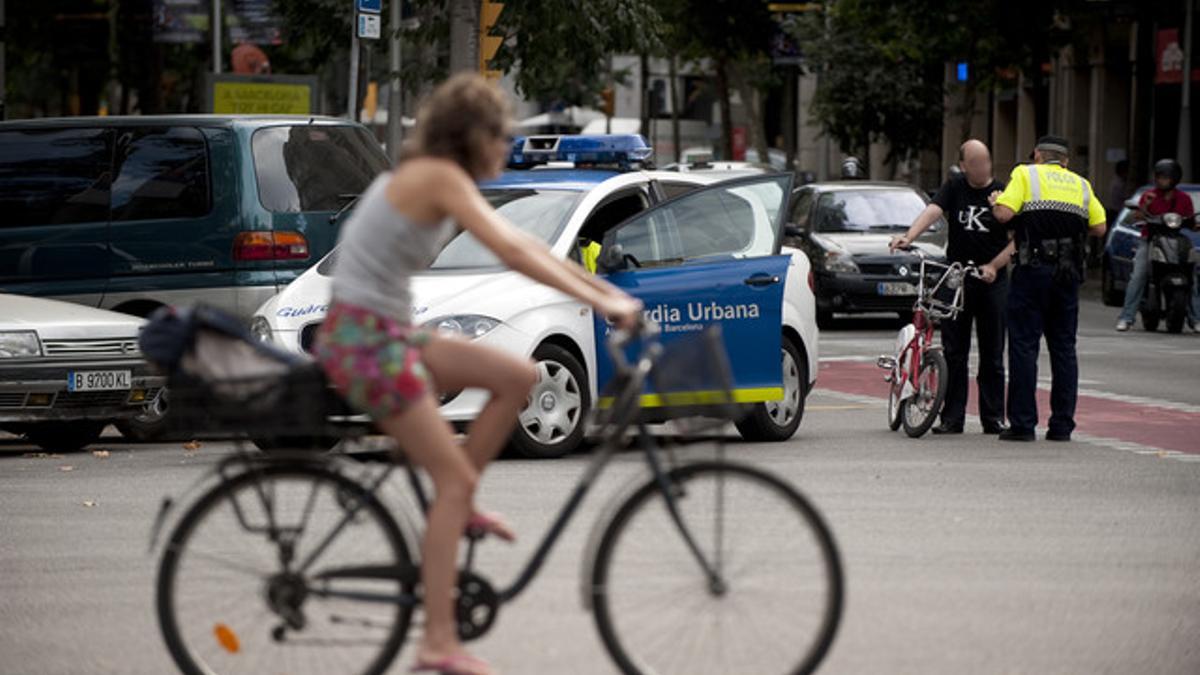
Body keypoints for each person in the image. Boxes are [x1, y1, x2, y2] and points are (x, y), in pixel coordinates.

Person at [314, 74, 642, 675]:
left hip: (385, 334)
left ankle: (459, 496)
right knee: (455, 486)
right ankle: (437, 641)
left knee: (519, 376)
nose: (506, 150)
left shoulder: (437, 178)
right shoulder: (438, 177)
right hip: (365, 344)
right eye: (501, 138)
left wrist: (603, 291)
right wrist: (604, 304)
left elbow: (531, 247)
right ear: (473, 136)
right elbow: (514, 254)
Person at [989, 135, 1107, 442]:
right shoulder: (1081, 184)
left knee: (1024, 346)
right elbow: (1099, 227)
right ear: (1065, 161)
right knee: (1064, 349)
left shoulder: (1025, 174)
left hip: (1033, 271)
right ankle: (1061, 426)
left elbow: (1004, 214)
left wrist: (997, 203)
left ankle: (1023, 425)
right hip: (1068, 275)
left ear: (1038, 156)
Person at [890, 139, 1009, 435]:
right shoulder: (955, 186)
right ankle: (952, 417)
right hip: (957, 276)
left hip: (991, 279)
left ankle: (992, 417)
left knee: (993, 352)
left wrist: (994, 265)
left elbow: (1017, 238)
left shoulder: (1003, 192)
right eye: (976, 163)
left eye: (986, 162)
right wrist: (909, 235)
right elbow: (933, 211)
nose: (983, 168)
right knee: (955, 350)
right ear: (964, 165)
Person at [1114, 158, 1195, 332]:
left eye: (1165, 177)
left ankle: (1195, 318)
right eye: (1159, 177)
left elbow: (1191, 221)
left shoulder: (1184, 199)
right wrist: (1146, 205)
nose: (1161, 180)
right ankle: (1126, 317)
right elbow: (1135, 217)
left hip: (1177, 240)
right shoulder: (1149, 195)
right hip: (1150, 239)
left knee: (1192, 274)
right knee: (1138, 274)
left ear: (1174, 178)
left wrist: (1194, 224)